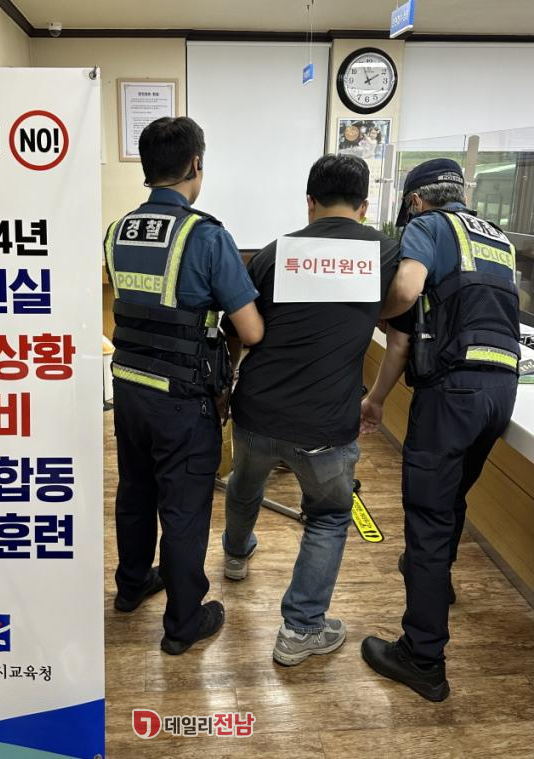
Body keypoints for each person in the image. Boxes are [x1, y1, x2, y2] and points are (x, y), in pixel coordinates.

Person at [221, 154, 400, 666]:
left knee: (244, 482)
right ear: (364, 205)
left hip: (256, 408)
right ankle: (301, 630)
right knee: (328, 517)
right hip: (325, 423)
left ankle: (235, 555)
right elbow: (406, 304)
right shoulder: (385, 252)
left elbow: (240, 331)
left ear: (310, 202)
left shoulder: (275, 253)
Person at [360, 159, 520, 701]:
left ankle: (422, 657)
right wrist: (377, 399)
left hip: (452, 392)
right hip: (501, 391)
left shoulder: (429, 226)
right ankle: (436, 581)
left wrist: (377, 313)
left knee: (427, 518)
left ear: (414, 201)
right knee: (451, 499)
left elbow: (406, 293)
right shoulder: (497, 238)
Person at [105, 116, 264, 656]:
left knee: (135, 491)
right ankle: (183, 623)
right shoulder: (207, 236)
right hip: (181, 400)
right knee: (184, 509)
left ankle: (131, 586)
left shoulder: (117, 231)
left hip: (128, 389)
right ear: (196, 163)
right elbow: (251, 330)